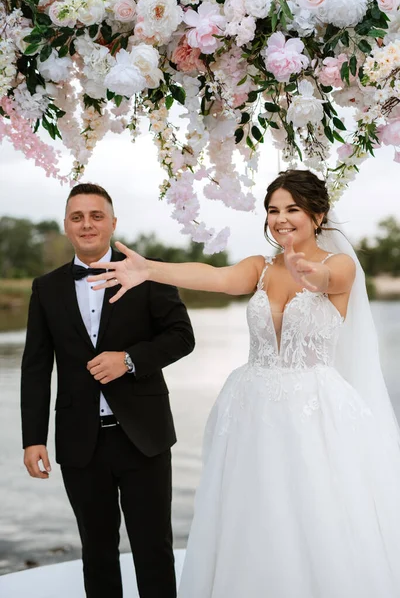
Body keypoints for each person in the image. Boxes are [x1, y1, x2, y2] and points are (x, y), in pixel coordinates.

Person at [89, 169, 400, 597]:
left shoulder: (340, 267)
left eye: (292, 209)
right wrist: (148, 271)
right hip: (253, 412)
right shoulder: (259, 267)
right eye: (273, 210)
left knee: (316, 512)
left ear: (318, 214)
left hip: (315, 412)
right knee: (252, 515)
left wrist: (308, 271)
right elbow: (213, 276)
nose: (281, 219)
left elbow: (328, 282)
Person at [21, 183, 195, 598]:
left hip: (144, 437)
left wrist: (130, 360)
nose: (87, 224)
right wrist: (33, 439)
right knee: (96, 553)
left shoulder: (147, 272)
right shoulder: (46, 289)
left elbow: (181, 336)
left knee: (153, 550)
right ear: (66, 226)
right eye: (77, 217)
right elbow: (35, 366)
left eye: (96, 216)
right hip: (81, 443)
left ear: (113, 223)